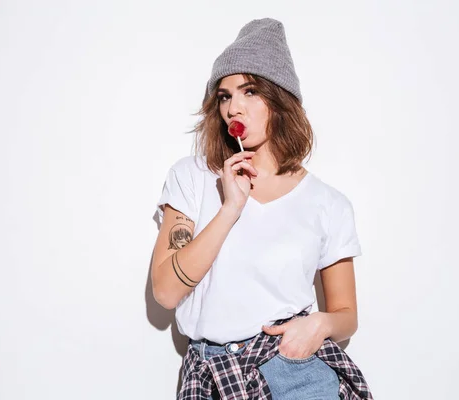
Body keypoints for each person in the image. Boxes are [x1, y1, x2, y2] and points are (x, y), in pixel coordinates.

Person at [151, 18, 373, 400]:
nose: (233, 107)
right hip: (209, 375)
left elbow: (346, 315)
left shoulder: (328, 204)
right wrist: (229, 209)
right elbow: (166, 293)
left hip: (292, 367)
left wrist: (318, 325)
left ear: (280, 98)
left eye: (249, 91)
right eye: (224, 96)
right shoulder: (193, 177)